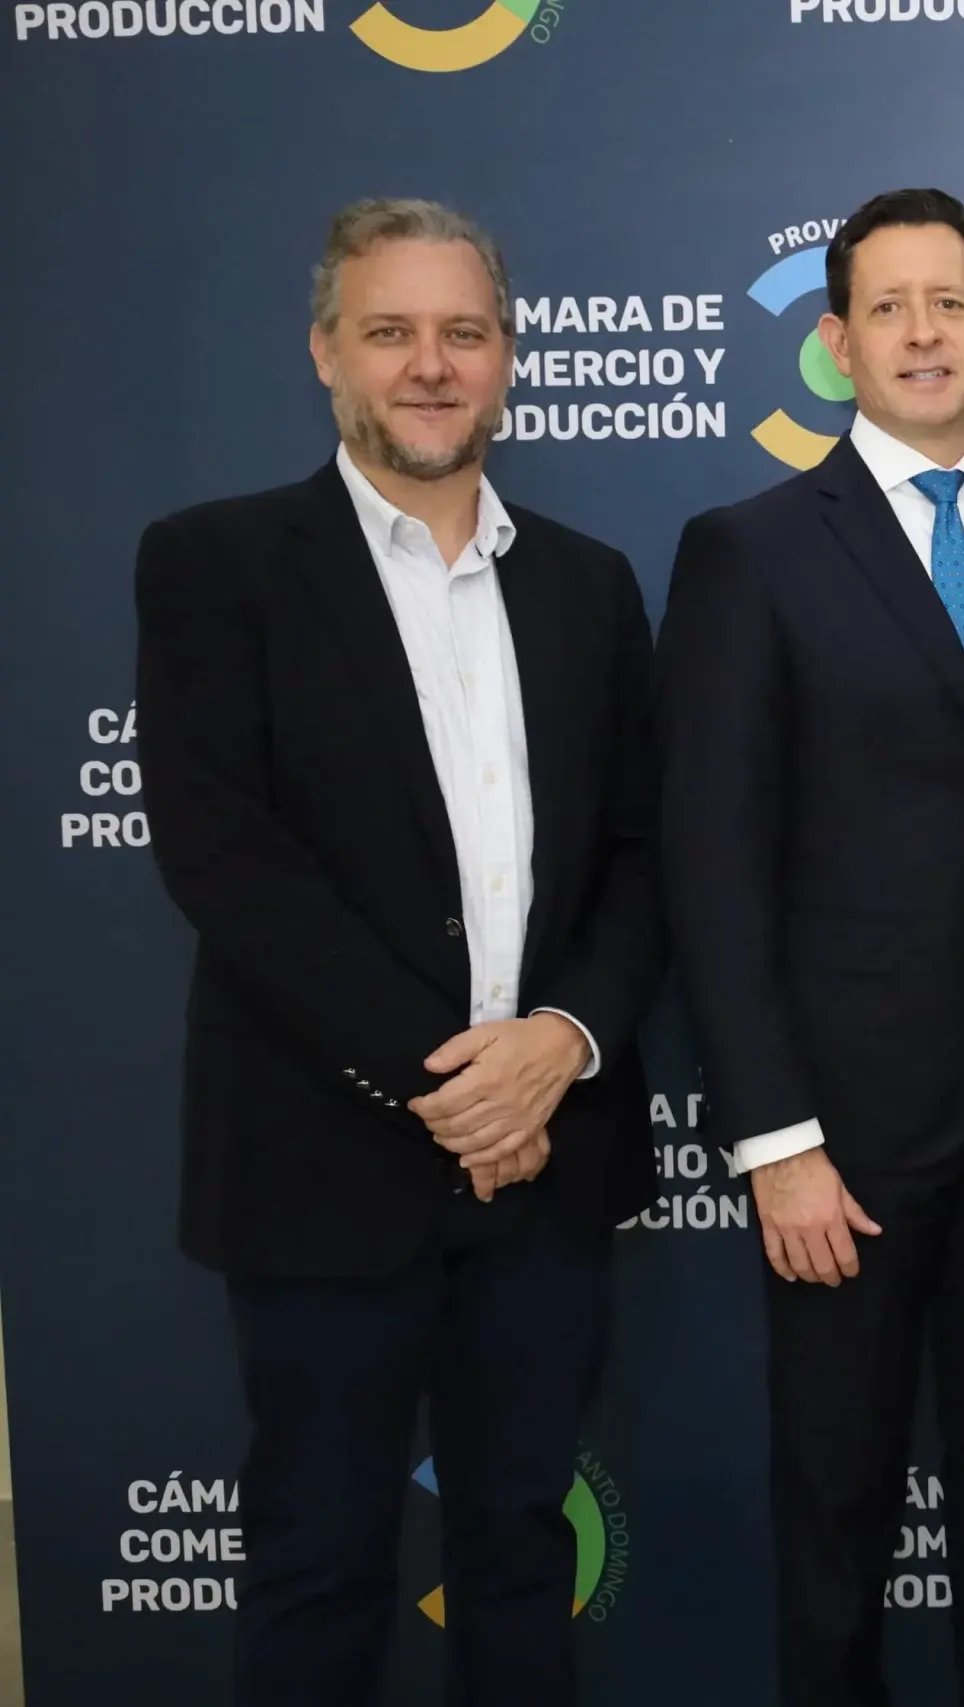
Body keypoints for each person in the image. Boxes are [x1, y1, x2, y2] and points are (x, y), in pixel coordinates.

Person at [133, 199, 662, 1705]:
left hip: (548, 1174)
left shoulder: (590, 583)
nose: (430, 365)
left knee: (521, 1558)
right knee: (318, 1565)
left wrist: (559, 1045)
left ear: (507, 359)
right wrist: (459, 1091)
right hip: (324, 1166)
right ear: (326, 352)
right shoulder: (216, 563)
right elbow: (228, 864)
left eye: (462, 333)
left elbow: (641, 854)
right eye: (391, 332)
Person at [654, 187, 964, 1707]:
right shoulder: (748, 553)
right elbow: (711, 865)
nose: (921, 333)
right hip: (843, 1143)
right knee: (837, 1503)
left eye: (948, 304)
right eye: (888, 307)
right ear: (837, 342)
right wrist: (775, 1139)